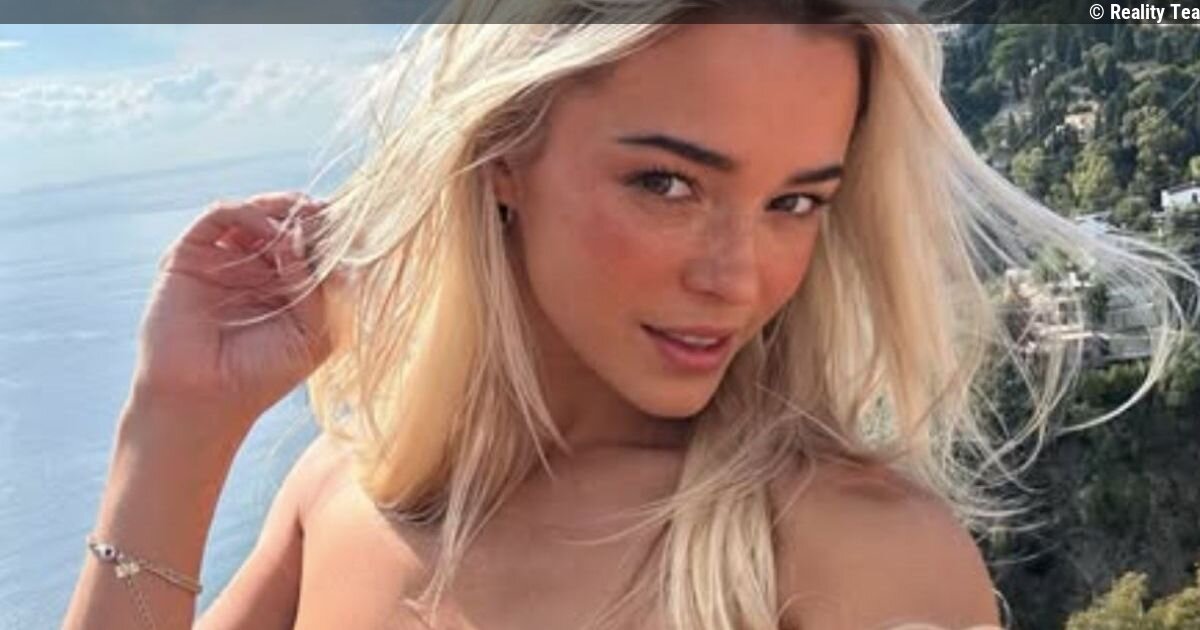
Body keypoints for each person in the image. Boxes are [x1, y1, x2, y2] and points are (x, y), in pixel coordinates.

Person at [62, 2, 1196, 629]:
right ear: (503, 157)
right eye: (669, 183)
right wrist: (179, 424)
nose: (740, 277)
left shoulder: (848, 558)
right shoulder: (342, 496)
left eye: (796, 201)